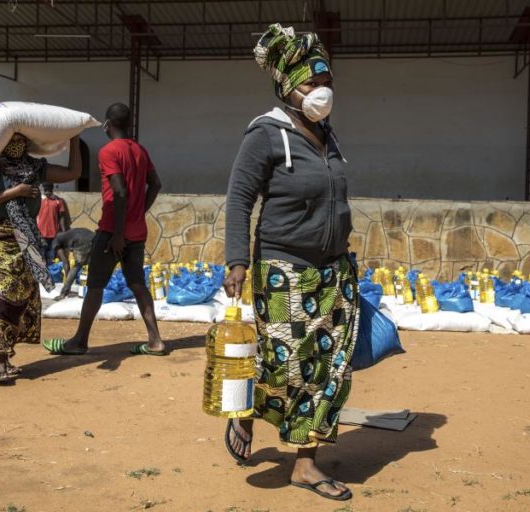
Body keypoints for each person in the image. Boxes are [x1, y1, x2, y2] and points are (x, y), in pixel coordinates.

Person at [221, 24, 358, 501]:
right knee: (287, 370)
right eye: (308, 85)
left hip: (333, 272)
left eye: (325, 84)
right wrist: (237, 261)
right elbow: (239, 200)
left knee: (328, 370)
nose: (320, 93)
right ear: (286, 88)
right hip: (284, 272)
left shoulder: (328, 135)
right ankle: (246, 409)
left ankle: (304, 464)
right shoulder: (265, 134)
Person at [42, 103, 163, 356]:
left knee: (96, 285)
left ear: (107, 124)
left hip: (111, 232)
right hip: (137, 232)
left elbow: (118, 191)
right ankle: (155, 340)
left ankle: (79, 341)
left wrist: (118, 233)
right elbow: (156, 184)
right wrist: (138, 214)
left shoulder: (108, 152)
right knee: (137, 283)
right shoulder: (141, 151)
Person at [0, 133, 81, 384]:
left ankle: (7, 355)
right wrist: (13, 192)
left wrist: (74, 139)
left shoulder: (34, 168)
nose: (17, 146)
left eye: (21, 141)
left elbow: (72, 172)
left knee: (20, 297)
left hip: (24, 240)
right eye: (12, 140)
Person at [52, 227, 95, 300]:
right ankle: (93, 292)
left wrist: (67, 280)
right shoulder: (64, 235)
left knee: (77, 266)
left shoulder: (56, 244)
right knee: (92, 264)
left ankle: (63, 293)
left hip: (82, 241)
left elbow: (66, 264)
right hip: (93, 237)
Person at [36, 182, 67, 263]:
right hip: (40, 234)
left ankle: (50, 274)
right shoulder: (39, 200)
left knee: (51, 257)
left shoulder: (58, 201)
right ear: (42, 189)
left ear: (52, 188)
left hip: (53, 235)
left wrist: (63, 232)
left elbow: (62, 217)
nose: (47, 191)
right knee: (41, 257)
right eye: (45, 189)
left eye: (49, 189)